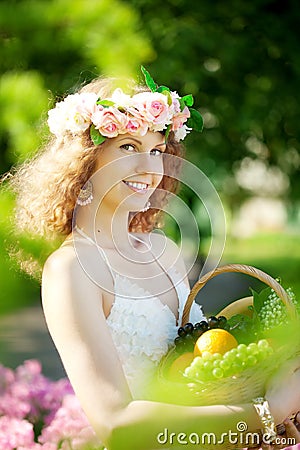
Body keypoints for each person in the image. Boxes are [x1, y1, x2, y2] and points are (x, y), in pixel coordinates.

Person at [10, 67, 300, 450]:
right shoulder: (71, 270)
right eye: (128, 147)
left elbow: (193, 369)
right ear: (84, 160)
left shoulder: (161, 249)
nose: (149, 168)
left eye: (158, 151)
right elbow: (118, 426)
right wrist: (269, 410)